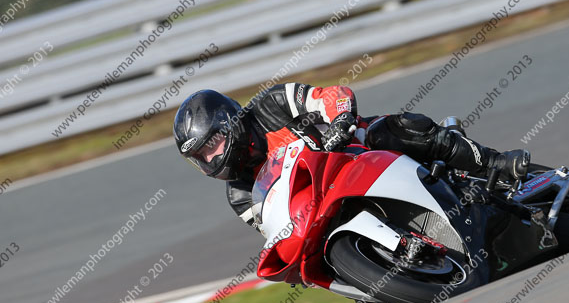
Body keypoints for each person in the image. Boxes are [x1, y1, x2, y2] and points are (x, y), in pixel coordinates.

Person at [173, 84, 529, 229]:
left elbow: (332, 95)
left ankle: (494, 163)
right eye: (202, 155)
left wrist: (341, 120)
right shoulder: (239, 196)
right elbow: (275, 231)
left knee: (403, 127)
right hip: (326, 207)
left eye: (212, 143)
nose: (212, 156)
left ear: (229, 122)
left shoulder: (272, 103)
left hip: (356, 151)